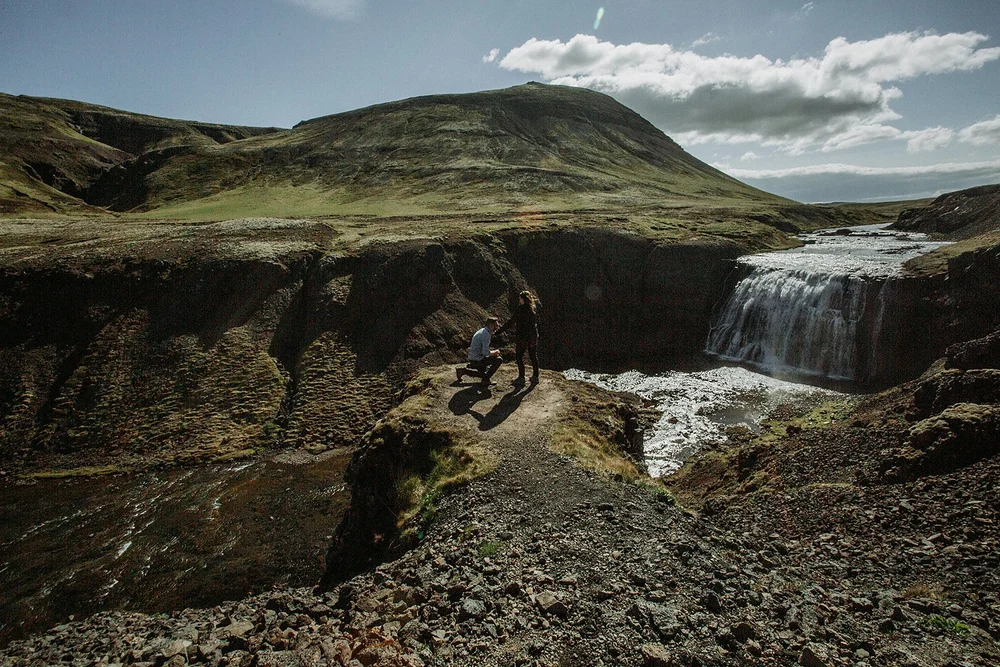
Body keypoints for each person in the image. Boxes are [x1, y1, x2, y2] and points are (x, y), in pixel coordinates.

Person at [496, 290, 540, 385]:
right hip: (532, 337)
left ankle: (521, 377)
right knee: (533, 357)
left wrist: (498, 332)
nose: (519, 300)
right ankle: (535, 376)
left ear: (523, 299)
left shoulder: (520, 310)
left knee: (519, 357)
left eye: (520, 298)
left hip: (523, 337)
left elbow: (510, 322)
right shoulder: (532, 309)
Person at [457, 316, 503, 385]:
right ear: (491, 325)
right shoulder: (486, 334)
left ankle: (466, 370)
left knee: (484, 372)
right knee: (498, 360)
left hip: (474, 357)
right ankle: (483, 378)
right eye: (496, 325)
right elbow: (485, 352)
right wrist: (494, 352)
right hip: (477, 359)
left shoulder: (483, 331)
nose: (497, 327)